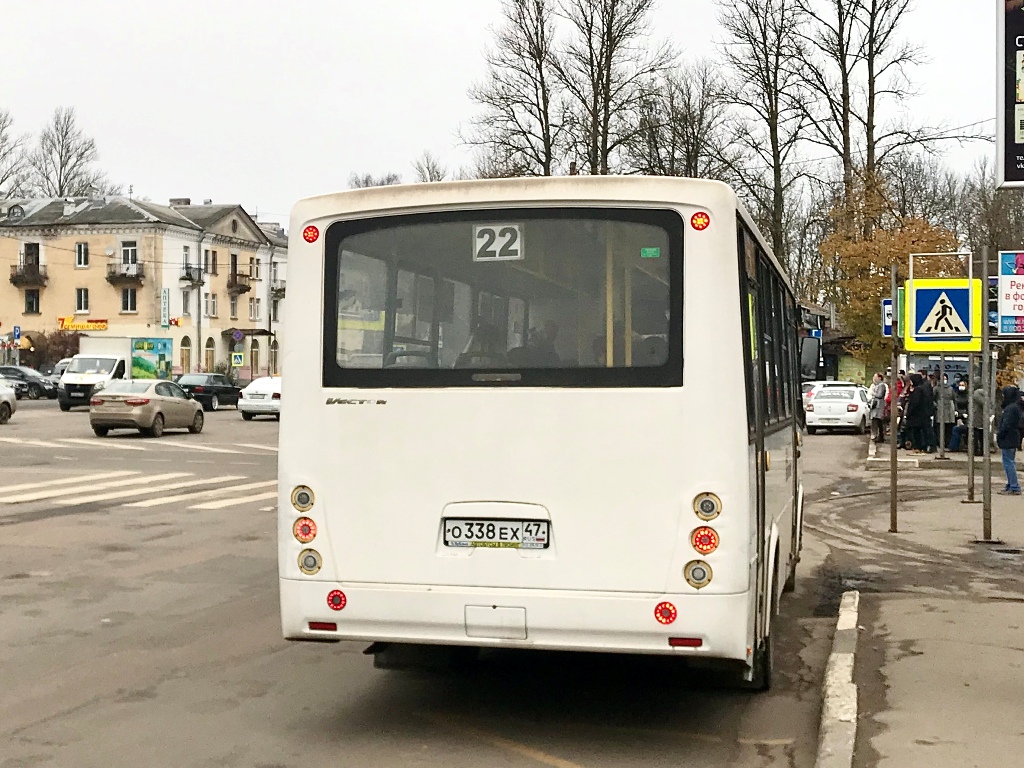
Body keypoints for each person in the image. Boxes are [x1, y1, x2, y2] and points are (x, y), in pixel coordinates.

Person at [996, 386, 1023, 495]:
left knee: (1009, 463)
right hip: (1012, 438)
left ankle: (1014, 486)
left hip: (1008, 438)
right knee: (1009, 462)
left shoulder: (1010, 408)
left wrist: (1000, 435)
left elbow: (1006, 425)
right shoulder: (1014, 407)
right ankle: (1010, 485)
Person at [869, 372, 888, 443]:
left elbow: (880, 395)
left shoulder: (881, 385)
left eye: (875, 377)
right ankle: (878, 436)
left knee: (879, 421)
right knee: (876, 421)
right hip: (876, 405)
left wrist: (873, 393)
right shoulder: (876, 385)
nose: (874, 378)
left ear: (879, 378)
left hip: (879, 405)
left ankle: (880, 436)